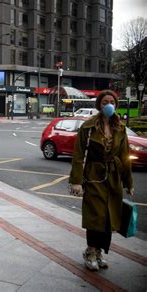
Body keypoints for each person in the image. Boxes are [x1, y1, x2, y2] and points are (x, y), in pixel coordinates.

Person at [69, 89, 134, 272]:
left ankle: (99, 252)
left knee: (109, 219)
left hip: (113, 178)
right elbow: (78, 155)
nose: (108, 105)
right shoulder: (88, 127)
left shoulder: (120, 128)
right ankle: (90, 251)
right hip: (93, 177)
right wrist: (75, 181)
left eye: (111, 101)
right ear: (99, 105)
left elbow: (125, 156)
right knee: (95, 217)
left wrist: (128, 183)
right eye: (105, 102)